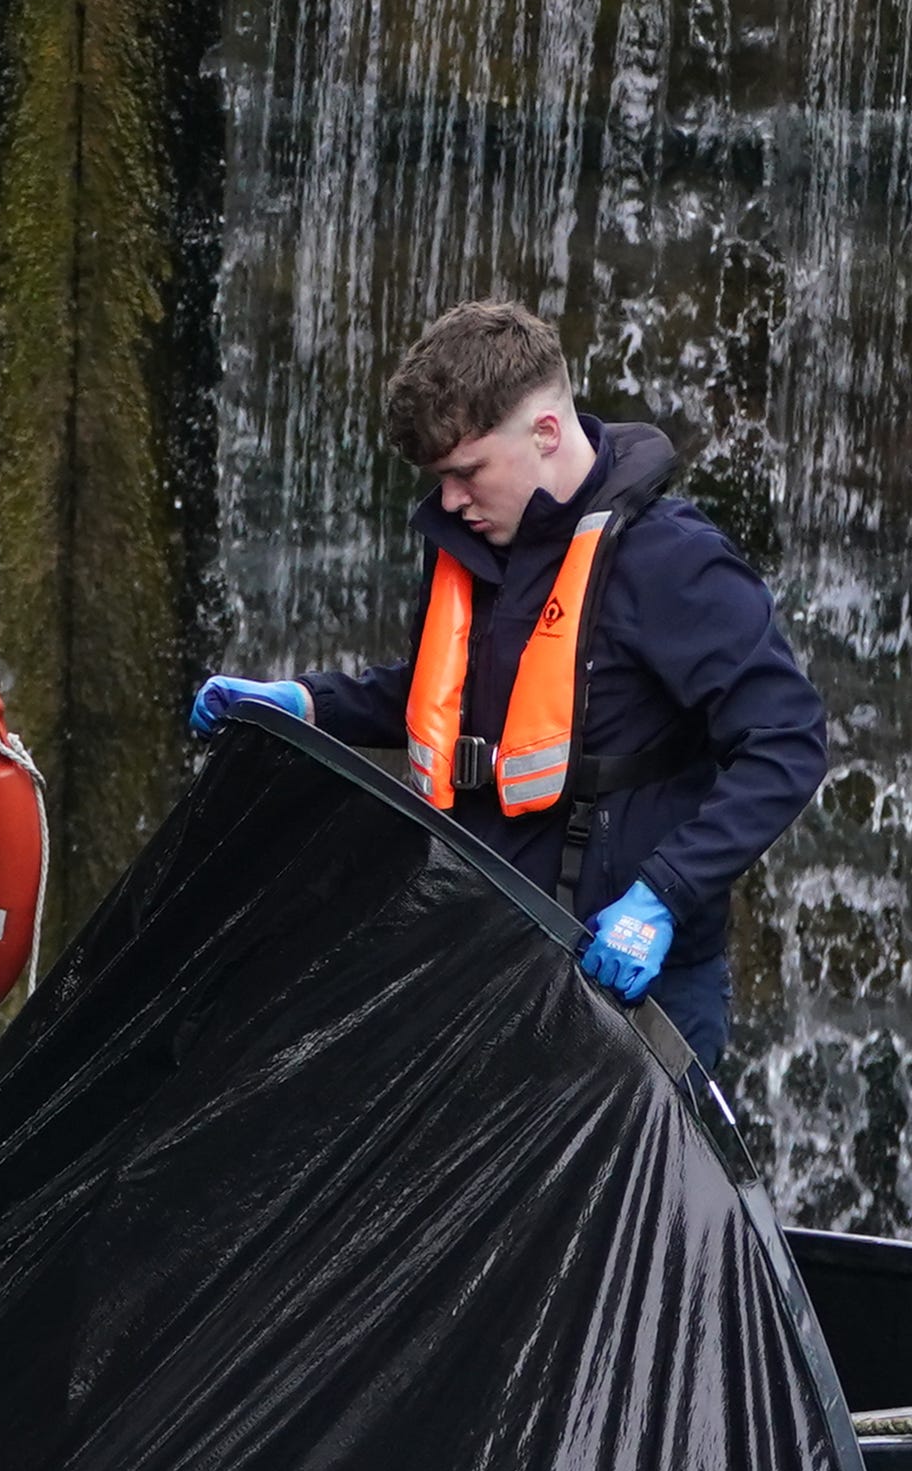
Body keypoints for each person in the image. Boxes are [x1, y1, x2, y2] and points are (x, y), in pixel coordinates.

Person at [189, 302, 829, 1070]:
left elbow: (787, 740)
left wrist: (663, 895)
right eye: (439, 479)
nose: (450, 501)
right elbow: (444, 697)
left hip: (628, 993)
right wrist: (308, 704)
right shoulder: (475, 543)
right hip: (482, 959)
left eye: (466, 472)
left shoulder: (675, 561)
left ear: (546, 433)